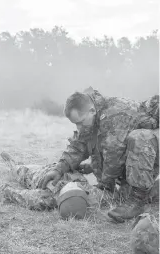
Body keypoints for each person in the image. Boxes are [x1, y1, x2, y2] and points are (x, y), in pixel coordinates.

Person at [40, 87, 159, 223]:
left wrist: (104, 187)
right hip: (142, 151)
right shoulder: (92, 116)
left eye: (80, 122)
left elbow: (114, 157)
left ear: (92, 110)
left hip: (152, 143)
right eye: (75, 124)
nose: (79, 127)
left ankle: (137, 201)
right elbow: (79, 145)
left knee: (140, 137)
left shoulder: (114, 115)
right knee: (123, 188)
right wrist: (59, 168)